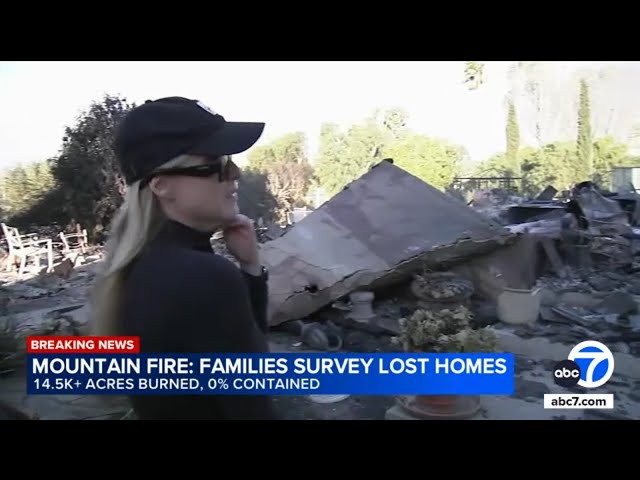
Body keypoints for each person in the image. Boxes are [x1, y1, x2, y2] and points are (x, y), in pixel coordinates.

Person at [90, 96, 279, 420]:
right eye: (214, 162)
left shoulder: (142, 267)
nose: (235, 171)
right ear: (162, 185)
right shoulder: (202, 276)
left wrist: (249, 267)